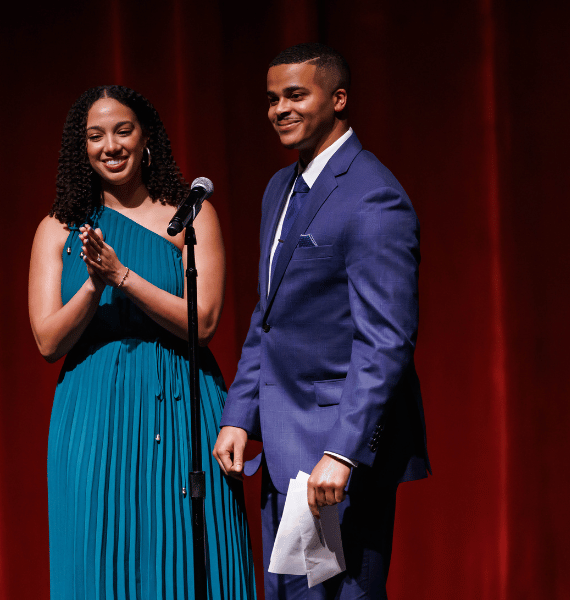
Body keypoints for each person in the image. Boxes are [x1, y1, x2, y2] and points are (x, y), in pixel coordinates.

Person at [213, 44, 431, 599]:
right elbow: (270, 315)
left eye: (294, 95)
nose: (279, 109)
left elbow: (385, 342)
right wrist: (240, 414)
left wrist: (342, 452)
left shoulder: (373, 197)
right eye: (271, 99)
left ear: (337, 99)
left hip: (337, 453)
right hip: (283, 443)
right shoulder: (278, 189)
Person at [29, 85, 254, 599]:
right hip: (93, 416)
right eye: (95, 135)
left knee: (188, 559)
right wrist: (94, 282)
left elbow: (205, 322)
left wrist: (123, 274)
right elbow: (47, 340)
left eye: (123, 130)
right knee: (99, 563)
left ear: (146, 137)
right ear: (81, 149)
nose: (110, 144)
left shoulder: (190, 218)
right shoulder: (57, 230)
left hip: (181, 410)